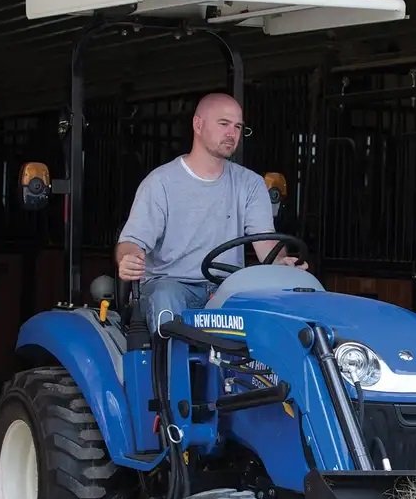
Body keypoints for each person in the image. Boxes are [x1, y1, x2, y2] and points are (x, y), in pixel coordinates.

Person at [115, 92, 305, 331]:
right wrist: (128, 258)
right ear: (198, 124)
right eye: (224, 124)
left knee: (265, 302)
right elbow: (131, 242)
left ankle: (254, 368)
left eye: (237, 127)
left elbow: (265, 240)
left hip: (226, 286)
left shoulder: (251, 184)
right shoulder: (160, 182)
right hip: (172, 285)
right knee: (166, 296)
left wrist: (281, 263)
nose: (231, 133)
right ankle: (171, 368)